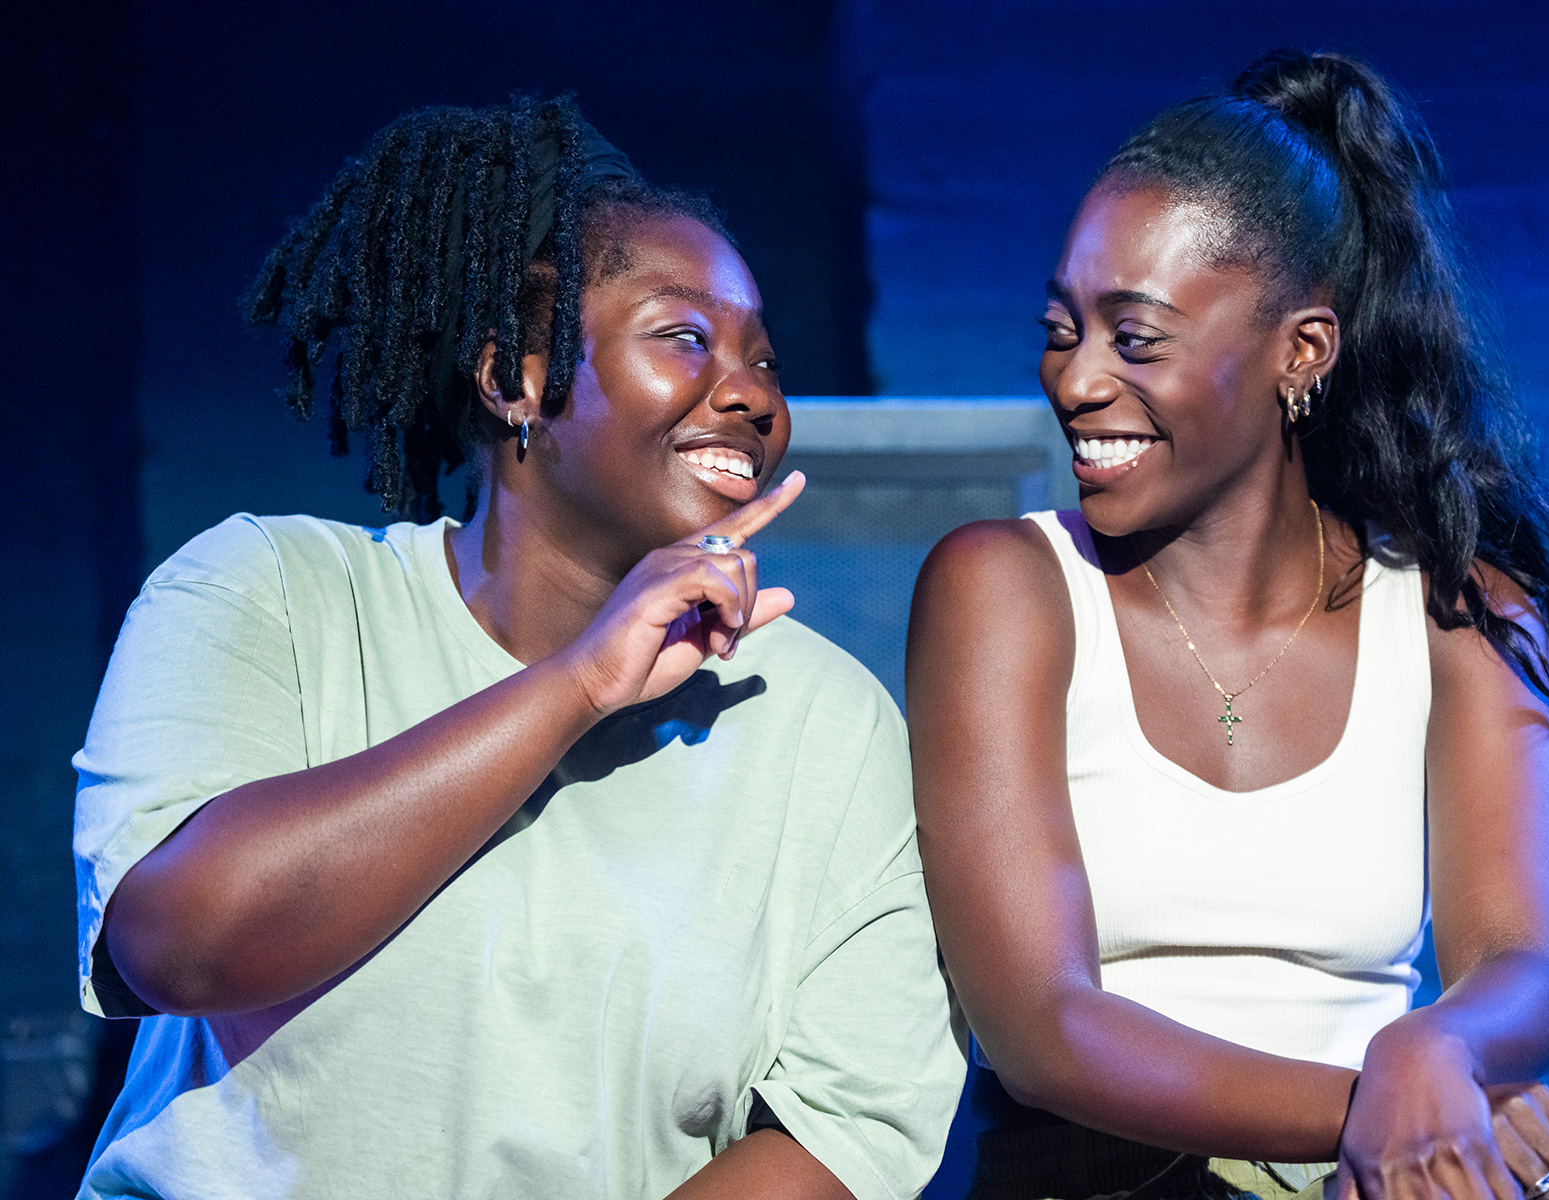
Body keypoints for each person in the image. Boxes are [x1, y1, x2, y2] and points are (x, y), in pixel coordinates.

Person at [73, 96, 963, 1200]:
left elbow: (845, 1128)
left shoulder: (822, 718)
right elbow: (181, 946)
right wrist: (578, 686)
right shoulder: (273, 593)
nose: (751, 395)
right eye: (686, 336)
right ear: (513, 380)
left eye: (763, 359)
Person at [907, 51, 1549, 1200]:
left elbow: (1521, 966)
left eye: (1135, 338)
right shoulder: (1004, 587)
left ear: (1301, 353)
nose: (1076, 379)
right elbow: (1043, 1028)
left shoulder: (1461, 614)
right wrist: (1404, 1114)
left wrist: (1435, 1055)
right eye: (1061, 329)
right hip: (1092, 1176)